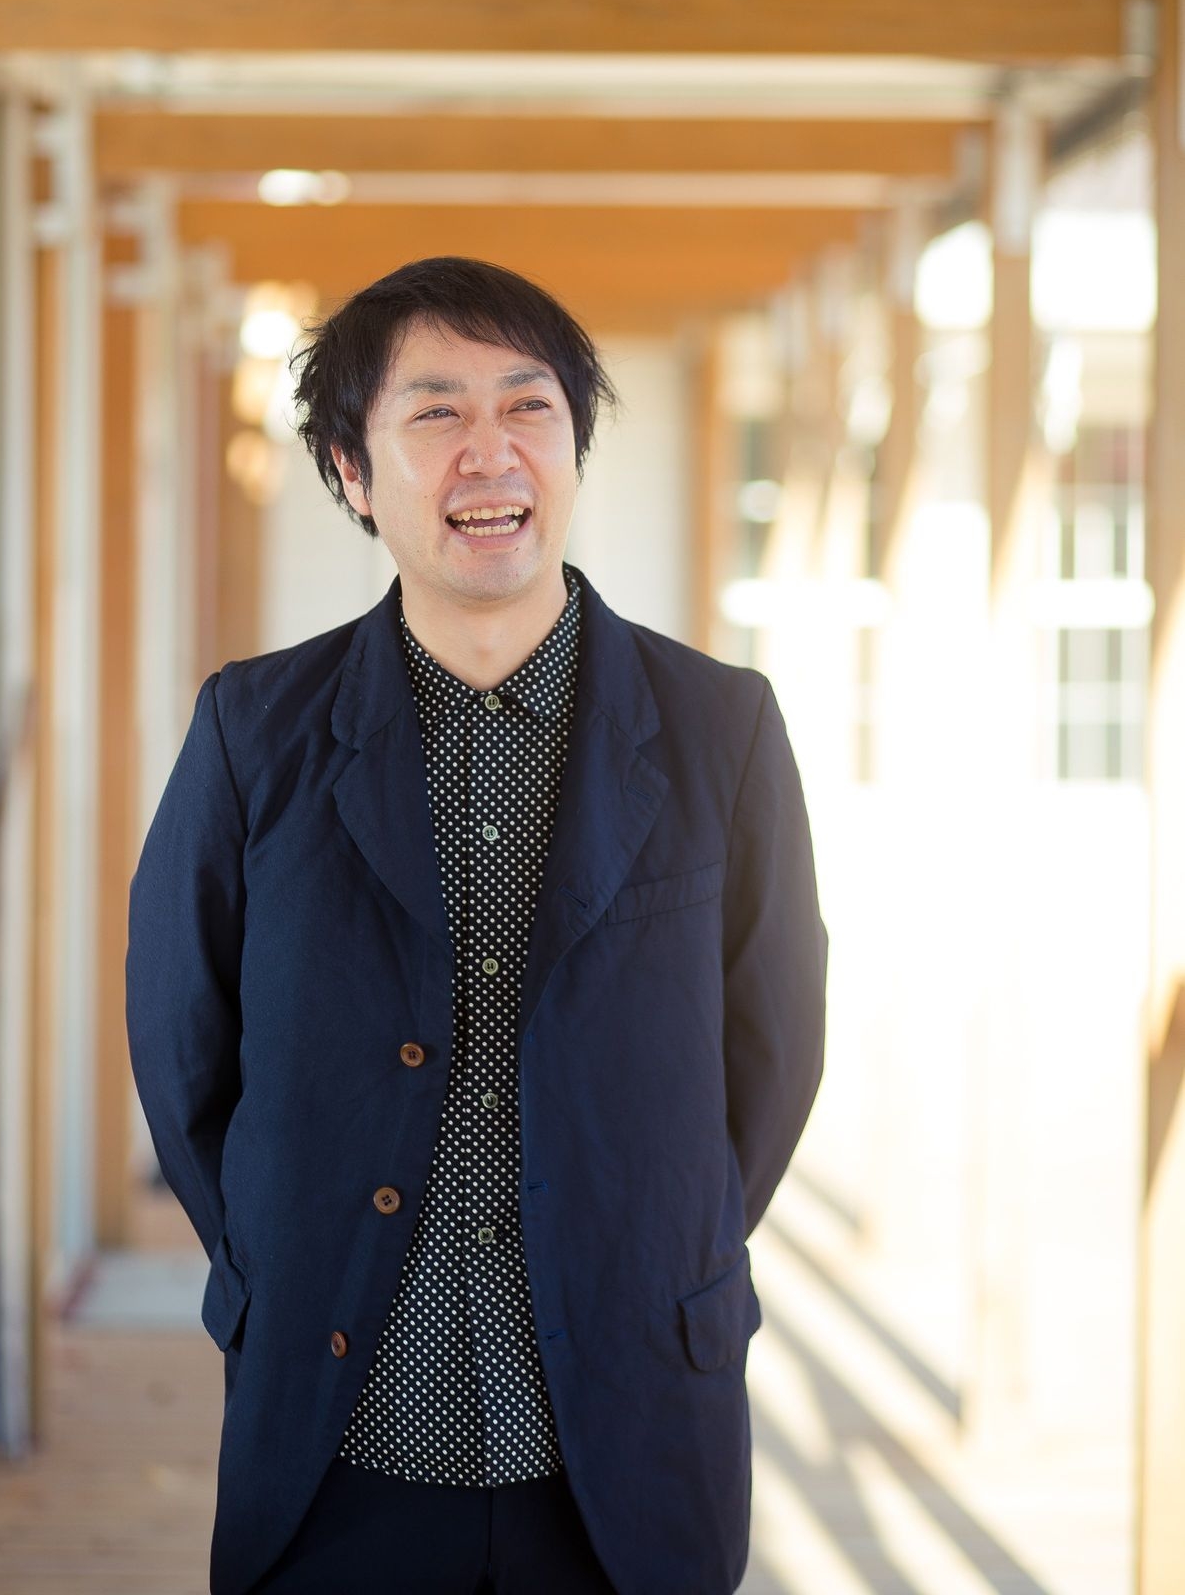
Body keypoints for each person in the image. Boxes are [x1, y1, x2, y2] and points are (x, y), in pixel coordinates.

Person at [125, 255, 828, 1595]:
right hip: (343, 1434)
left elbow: (773, 1047)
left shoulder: (719, 729)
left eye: (528, 407)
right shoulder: (251, 733)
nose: (489, 452)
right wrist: (281, 1251)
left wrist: (648, 1243)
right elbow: (181, 1046)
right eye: (436, 413)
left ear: (574, 448)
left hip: (627, 1431)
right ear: (352, 470)